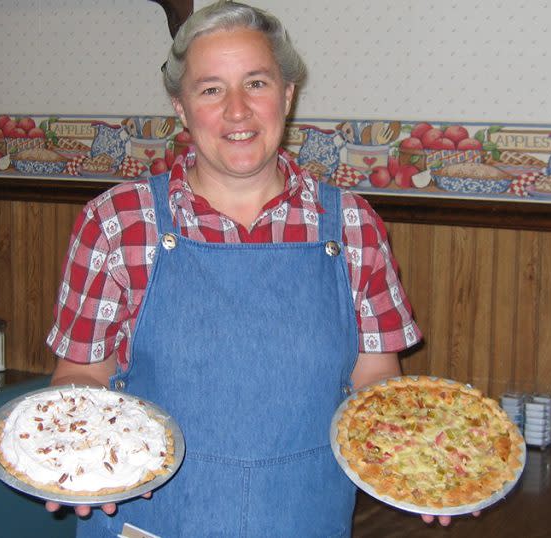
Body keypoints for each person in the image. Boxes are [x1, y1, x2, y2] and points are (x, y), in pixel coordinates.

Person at [44, 1, 462, 535]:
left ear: (287, 95)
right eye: (211, 89)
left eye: (257, 84)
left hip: (303, 521)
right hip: (146, 523)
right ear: (181, 107)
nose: (237, 111)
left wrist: (428, 465)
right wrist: (75, 460)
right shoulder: (117, 222)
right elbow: (81, 375)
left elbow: (377, 385)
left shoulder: (353, 226)